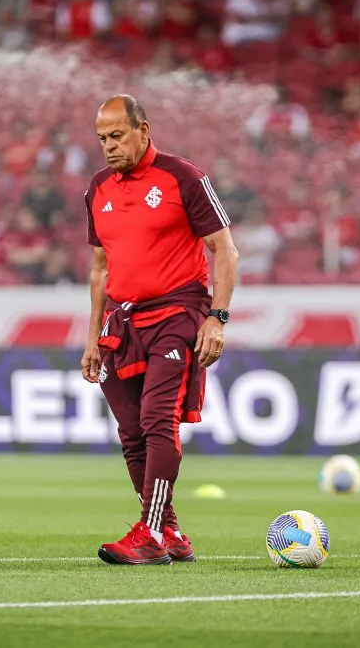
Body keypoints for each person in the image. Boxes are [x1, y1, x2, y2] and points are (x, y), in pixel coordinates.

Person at [80, 95, 238, 565]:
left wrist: (218, 317)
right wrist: (91, 337)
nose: (108, 147)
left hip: (178, 312)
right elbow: (99, 268)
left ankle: (149, 532)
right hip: (122, 322)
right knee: (130, 433)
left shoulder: (182, 177)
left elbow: (224, 250)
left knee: (156, 420)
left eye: (117, 136)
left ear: (143, 130)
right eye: (101, 139)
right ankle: (168, 531)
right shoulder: (97, 188)